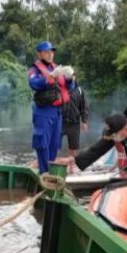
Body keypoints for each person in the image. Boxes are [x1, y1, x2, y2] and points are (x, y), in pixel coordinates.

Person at [64, 114, 127, 239]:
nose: (113, 138)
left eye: (114, 135)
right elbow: (98, 149)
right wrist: (74, 161)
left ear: (125, 129)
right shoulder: (121, 134)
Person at [28, 41, 76, 173]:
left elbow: (69, 88)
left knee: (55, 144)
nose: (50, 54)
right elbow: (33, 83)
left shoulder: (57, 68)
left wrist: (70, 78)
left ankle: (51, 171)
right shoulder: (35, 69)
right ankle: (44, 172)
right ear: (39, 53)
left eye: (52, 51)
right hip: (43, 110)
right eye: (47, 51)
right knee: (42, 142)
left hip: (57, 112)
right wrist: (48, 78)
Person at [61, 74, 89, 158]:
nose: (70, 77)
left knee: (73, 147)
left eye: (72, 75)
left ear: (74, 77)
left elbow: (84, 107)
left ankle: (71, 166)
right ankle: (51, 164)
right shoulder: (60, 88)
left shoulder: (79, 90)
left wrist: (84, 121)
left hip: (74, 123)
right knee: (54, 144)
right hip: (60, 122)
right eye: (68, 75)